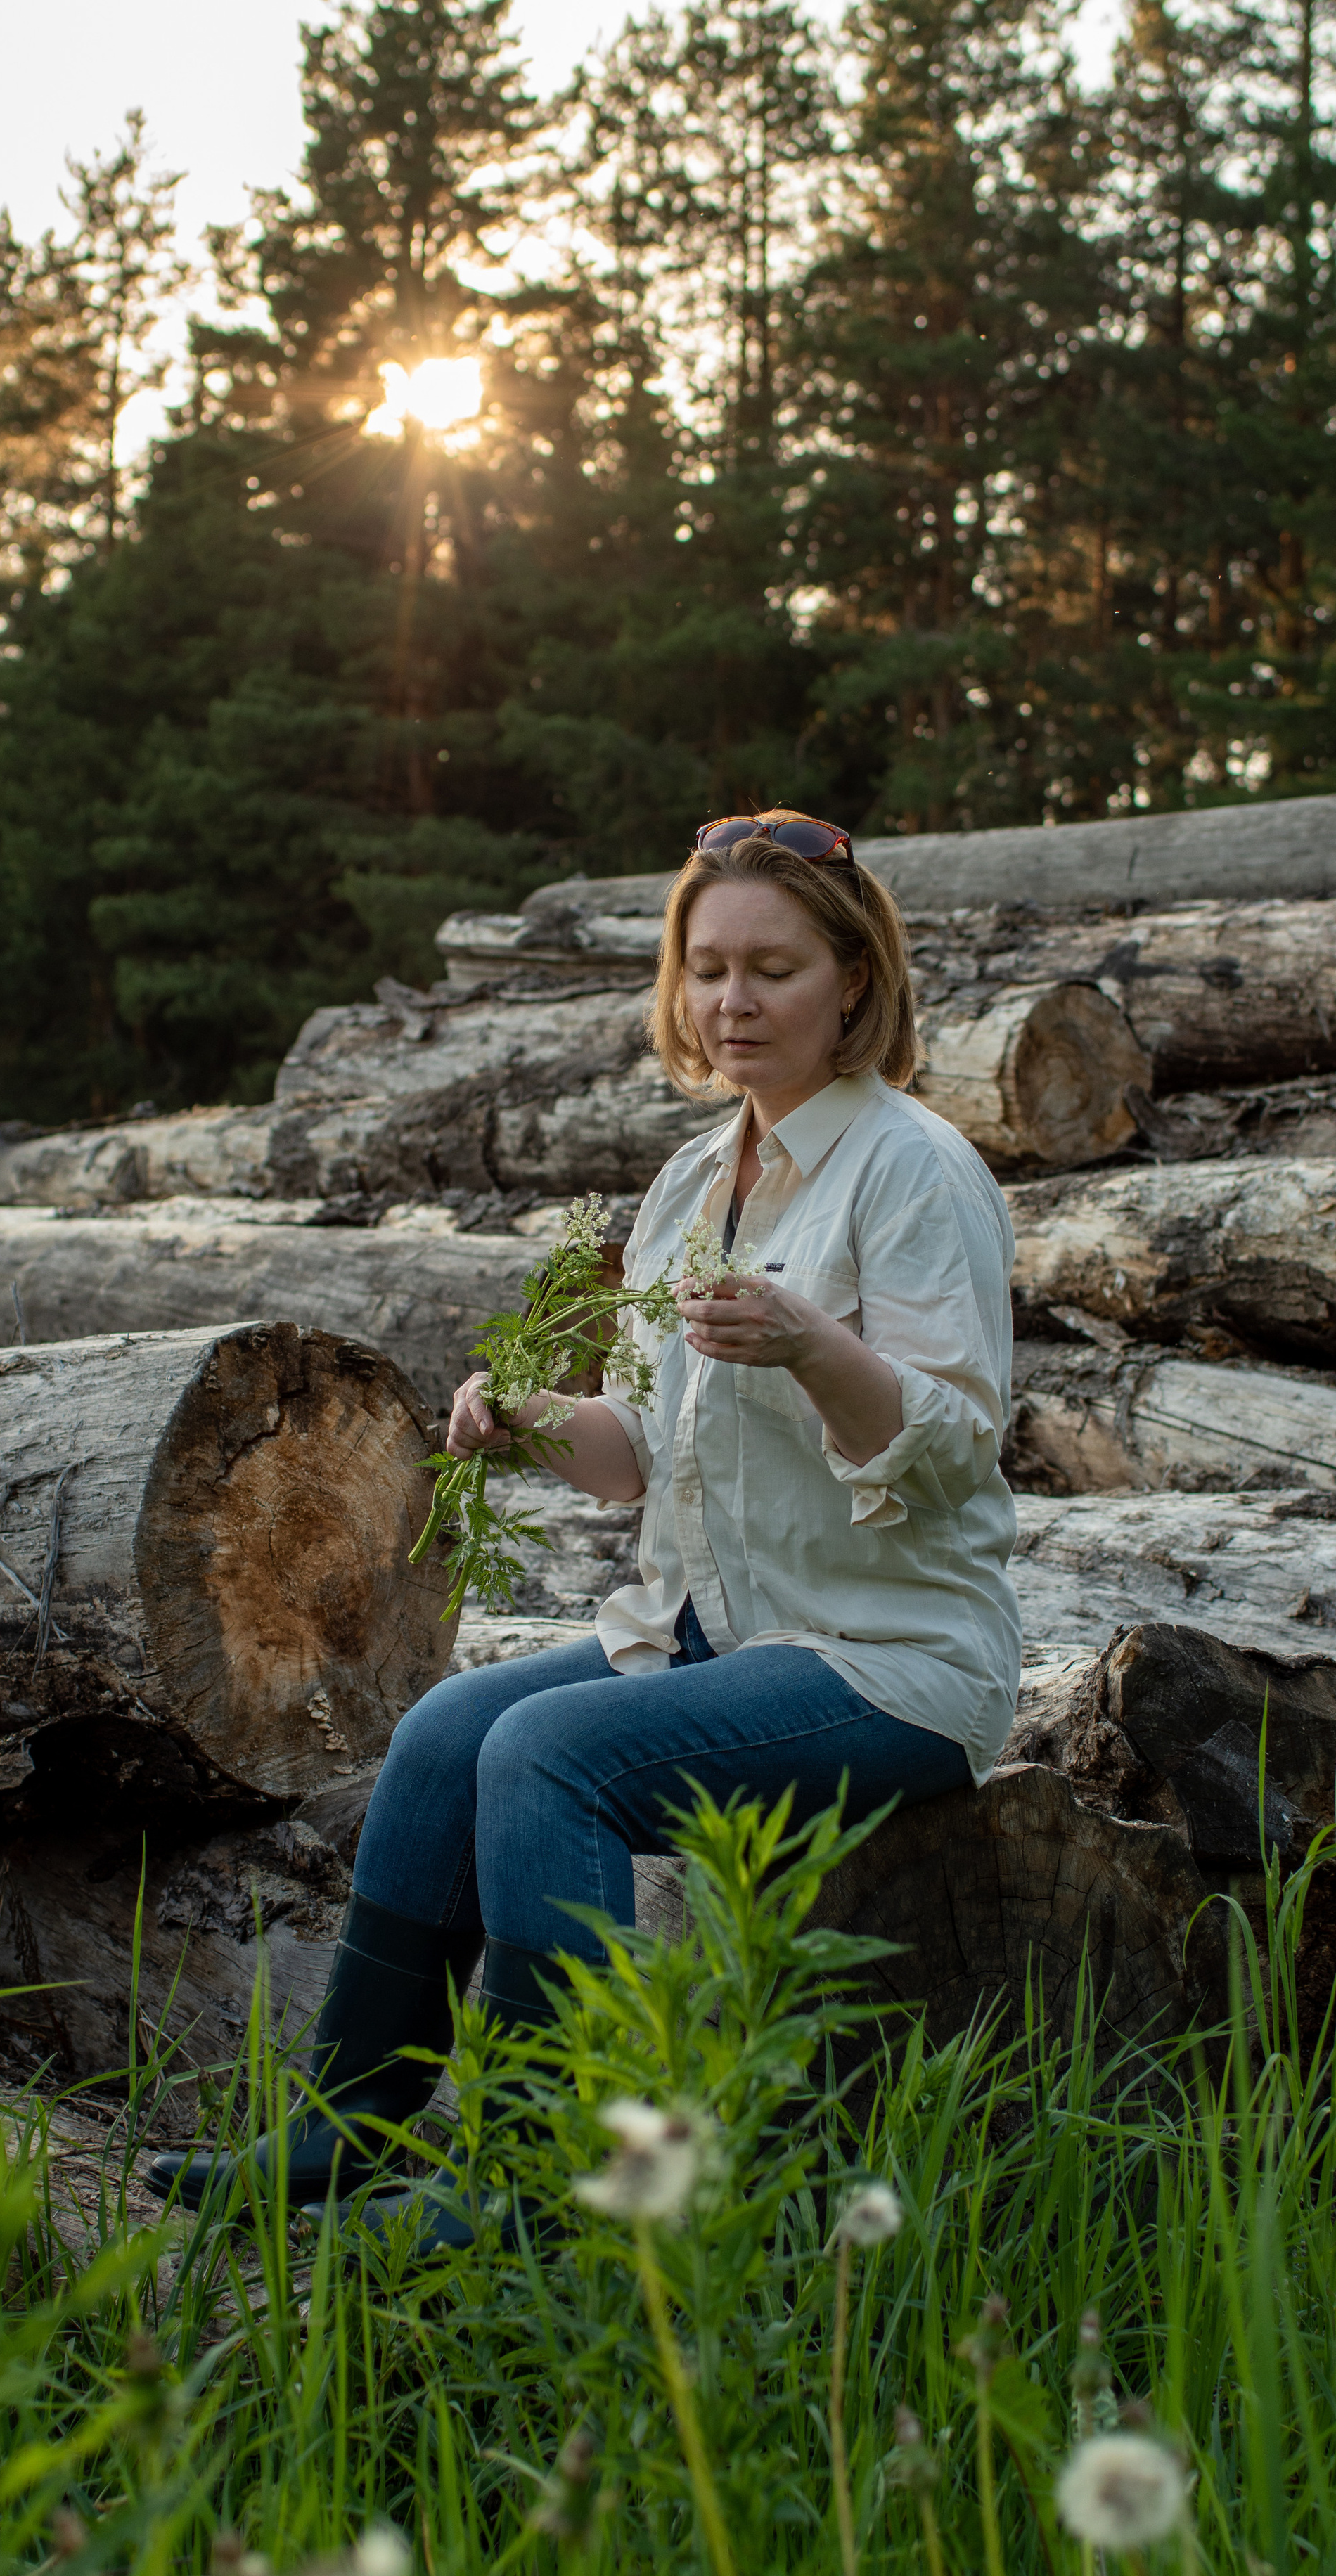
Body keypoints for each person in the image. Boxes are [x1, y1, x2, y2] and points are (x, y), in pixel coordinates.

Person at [150, 810, 1023, 2235]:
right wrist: (528, 1421)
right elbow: (639, 1458)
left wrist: (809, 1345)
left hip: (893, 1660)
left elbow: (950, 1455)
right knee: (443, 1736)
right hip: (720, 1634)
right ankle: (342, 2134)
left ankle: (545, 2184)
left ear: (852, 982)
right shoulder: (691, 1181)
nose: (733, 1003)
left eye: (774, 970)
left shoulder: (911, 1171)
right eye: (706, 969)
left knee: (552, 1756)